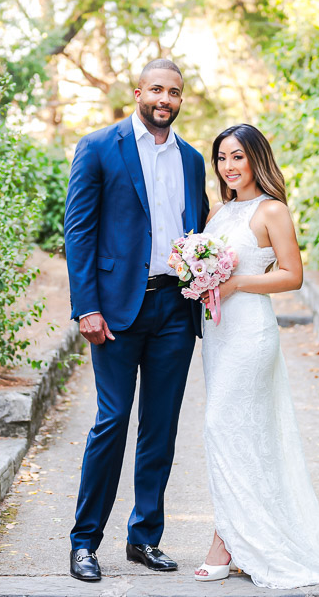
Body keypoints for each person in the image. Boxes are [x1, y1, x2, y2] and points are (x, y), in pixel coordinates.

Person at [195, 123, 319, 588]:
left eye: (237, 157)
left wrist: (235, 283)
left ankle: (224, 541)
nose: (229, 166)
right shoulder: (221, 212)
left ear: (257, 158)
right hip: (218, 333)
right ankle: (238, 533)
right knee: (240, 431)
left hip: (250, 331)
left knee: (222, 424)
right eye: (221, 158)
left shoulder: (271, 210)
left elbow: (292, 275)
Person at [64, 59, 209, 583]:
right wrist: (87, 306)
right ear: (137, 92)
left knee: (161, 427)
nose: (164, 99)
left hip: (175, 307)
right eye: (156, 89)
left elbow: (200, 232)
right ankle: (84, 542)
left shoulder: (192, 160)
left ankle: (144, 537)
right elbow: (78, 232)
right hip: (117, 311)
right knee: (112, 421)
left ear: (181, 98)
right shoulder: (100, 147)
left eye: (174, 91)